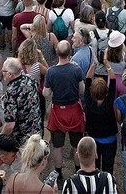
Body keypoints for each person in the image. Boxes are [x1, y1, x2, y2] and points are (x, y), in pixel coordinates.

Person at [45, 39, 87, 177]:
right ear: (70, 52)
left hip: (58, 112)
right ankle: (77, 171)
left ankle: (58, 174)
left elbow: (46, 93)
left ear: (57, 53)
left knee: (57, 146)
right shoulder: (76, 69)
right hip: (74, 110)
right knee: (76, 145)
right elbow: (82, 90)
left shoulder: (51, 72)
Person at [2, 57, 45, 152]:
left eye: (4, 70)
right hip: (37, 132)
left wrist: (0, 139)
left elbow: (10, 125)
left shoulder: (11, 92)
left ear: (10, 74)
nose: (1, 71)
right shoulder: (31, 79)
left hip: (23, 140)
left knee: (24, 165)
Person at [84, 75, 119, 174]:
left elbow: (87, 80)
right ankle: (107, 184)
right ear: (106, 91)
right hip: (110, 140)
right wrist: (107, 65)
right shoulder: (109, 102)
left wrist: (93, 65)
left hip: (93, 140)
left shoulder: (89, 103)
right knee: (108, 167)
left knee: (94, 166)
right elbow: (113, 80)